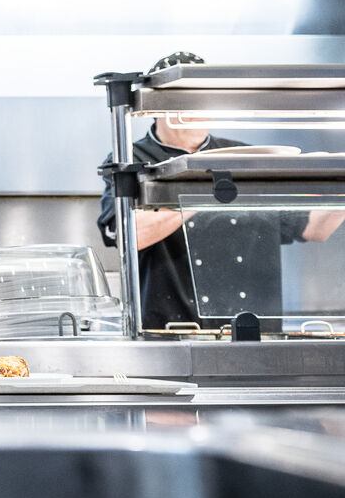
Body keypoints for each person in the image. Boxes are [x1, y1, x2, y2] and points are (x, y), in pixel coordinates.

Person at [98, 52, 345, 329]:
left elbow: (314, 228)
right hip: (171, 332)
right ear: (154, 107)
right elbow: (129, 236)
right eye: (183, 98)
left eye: (203, 97)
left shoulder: (247, 157)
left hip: (254, 333)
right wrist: (203, 193)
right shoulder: (132, 159)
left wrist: (339, 196)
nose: (196, 108)